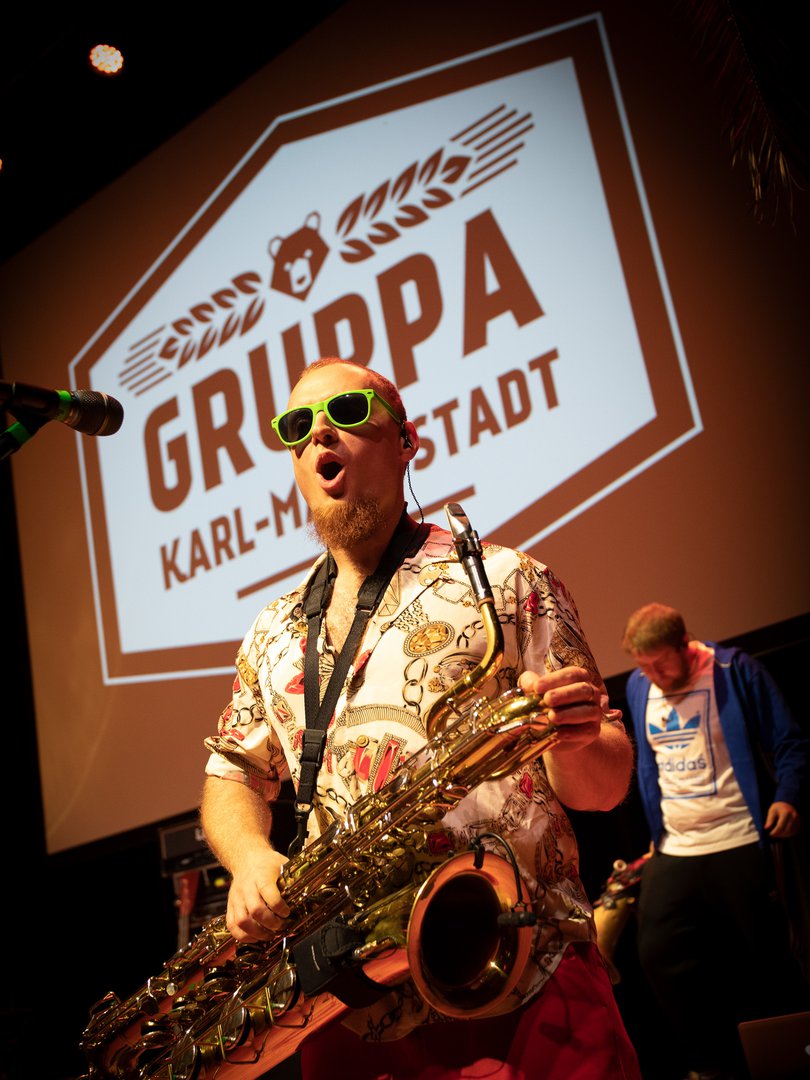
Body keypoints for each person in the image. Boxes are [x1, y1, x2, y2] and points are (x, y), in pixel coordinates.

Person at [200, 356, 641, 1080]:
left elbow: (604, 786)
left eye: (347, 414)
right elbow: (233, 774)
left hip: (524, 970)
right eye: (298, 426)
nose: (319, 436)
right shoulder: (272, 631)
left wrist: (576, 741)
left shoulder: (508, 579)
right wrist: (249, 857)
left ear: (408, 441)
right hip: (356, 1005)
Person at [622, 602, 810, 1080]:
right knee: (658, 954)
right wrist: (657, 833)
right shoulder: (640, 686)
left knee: (762, 960)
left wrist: (787, 796)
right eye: (644, 666)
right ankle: (710, 1065)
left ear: (686, 646)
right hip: (677, 846)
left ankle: (781, 1061)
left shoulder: (734, 671)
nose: (653, 675)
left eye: (661, 663)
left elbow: (789, 742)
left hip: (738, 836)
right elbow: (651, 766)